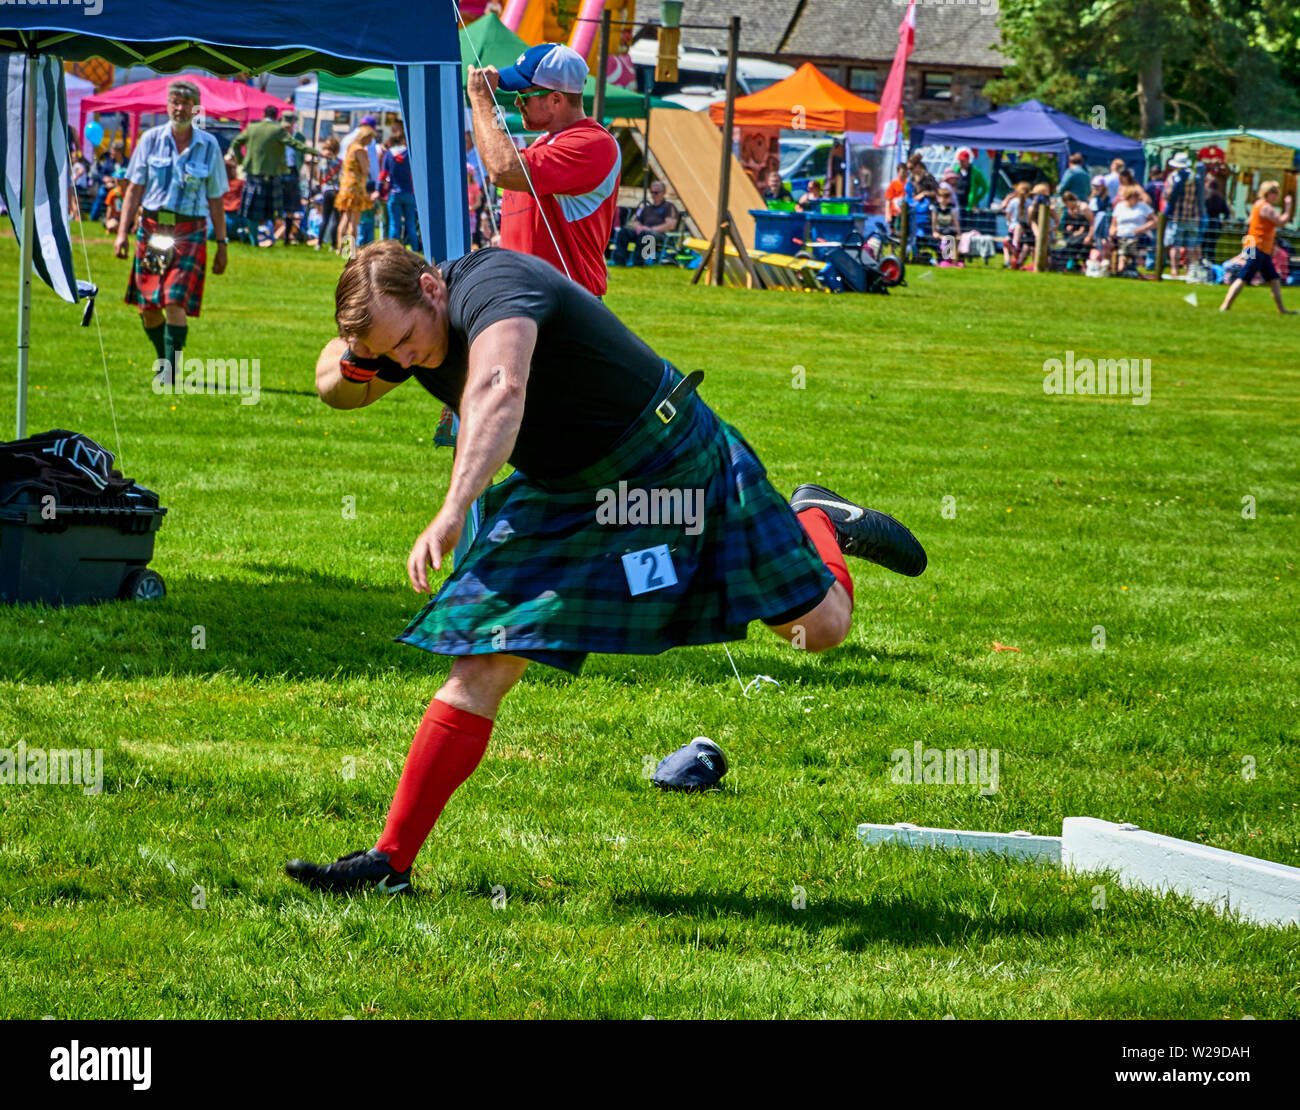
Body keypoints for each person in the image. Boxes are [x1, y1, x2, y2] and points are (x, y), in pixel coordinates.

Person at [286, 241, 928, 893]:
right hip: (566, 491)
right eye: (387, 353)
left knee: (820, 627)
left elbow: (499, 389)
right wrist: (358, 361)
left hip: (667, 462)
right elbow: (334, 389)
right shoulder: (403, 335)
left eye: (404, 342)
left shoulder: (495, 287)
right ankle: (390, 863)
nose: (404, 360)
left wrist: (455, 507)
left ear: (430, 288)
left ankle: (814, 519)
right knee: (482, 657)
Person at [467, 43, 621, 298]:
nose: (516, 102)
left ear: (556, 99)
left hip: (564, 307)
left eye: (523, 95)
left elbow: (503, 170)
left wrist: (482, 102)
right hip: (529, 301)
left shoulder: (594, 144)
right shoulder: (545, 142)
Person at [115, 79, 229, 384]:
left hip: (190, 230)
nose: (178, 108)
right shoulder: (150, 140)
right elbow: (134, 190)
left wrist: (222, 243)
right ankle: (164, 359)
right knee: (148, 307)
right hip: (152, 228)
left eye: (184, 103)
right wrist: (122, 233)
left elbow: (216, 198)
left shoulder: (209, 146)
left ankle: (171, 372)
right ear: (168, 106)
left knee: (174, 299)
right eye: (173, 102)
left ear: (195, 108)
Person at [230, 105, 318, 247]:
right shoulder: (277, 130)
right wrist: (314, 151)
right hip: (271, 176)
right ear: (276, 116)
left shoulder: (252, 127)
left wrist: (241, 160)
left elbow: (236, 142)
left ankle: (254, 240)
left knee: (251, 211)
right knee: (271, 211)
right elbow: (295, 144)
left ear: (263, 114)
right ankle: (267, 238)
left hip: (253, 175)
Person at [1219, 182, 1295, 314]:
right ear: (1269, 194)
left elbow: (1250, 221)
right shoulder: (1266, 208)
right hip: (1258, 247)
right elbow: (1281, 221)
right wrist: (1288, 207)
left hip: (1259, 246)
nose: (1278, 196)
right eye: (1276, 193)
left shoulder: (1257, 205)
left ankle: (1281, 309)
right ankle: (1225, 306)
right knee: (1243, 277)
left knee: (1274, 279)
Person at [334, 121, 377, 258]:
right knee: (354, 221)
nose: (371, 142)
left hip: (346, 185)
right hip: (356, 187)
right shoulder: (360, 150)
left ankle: (340, 248)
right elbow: (365, 170)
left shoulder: (350, 147)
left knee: (345, 218)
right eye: (370, 138)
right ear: (366, 137)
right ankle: (350, 250)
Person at [612, 181, 678, 267]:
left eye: (656, 192)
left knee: (645, 234)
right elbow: (636, 222)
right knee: (623, 231)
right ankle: (619, 262)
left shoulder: (669, 206)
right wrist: (639, 227)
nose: (653, 195)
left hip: (660, 235)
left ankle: (639, 263)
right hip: (643, 231)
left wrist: (651, 229)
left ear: (663, 192)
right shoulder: (647, 208)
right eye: (652, 192)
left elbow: (670, 225)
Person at [1162, 151, 1201, 277]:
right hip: (1192, 215)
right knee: (1190, 245)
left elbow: (1167, 195)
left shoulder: (1173, 177)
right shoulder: (1194, 177)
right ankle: (1189, 271)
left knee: (1175, 245)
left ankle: (1174, 270)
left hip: (1176, 216)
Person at [276, 110, 311, 245]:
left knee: (291, 207)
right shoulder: (278, 136)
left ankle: (286, 239)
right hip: (279, 171)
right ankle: (274, 234)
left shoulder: (300, 138)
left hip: (292, 172)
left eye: (289, 126)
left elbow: (301, 156)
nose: (287, 129)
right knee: (277, 206)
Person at [382, 132, 421, 250]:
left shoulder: (389, 154)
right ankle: (415, 249)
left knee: (395, 224)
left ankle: (392, 250)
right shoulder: (410, 154)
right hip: (409, 193)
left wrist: (379, 190)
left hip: (394, 193)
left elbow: (383, 173)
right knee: (411, 225)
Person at [1109, 183, 1156, 276]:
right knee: (1123, 242)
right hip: (1120, 236)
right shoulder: (1119, 206)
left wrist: (1143, 228)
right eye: (1133, 196)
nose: (1136, 198)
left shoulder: (1143, 206)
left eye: (1137, 196)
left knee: (1129, 243)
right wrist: (1112, 231)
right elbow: (1113, 224)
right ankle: (1134, 262)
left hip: (1140, 236)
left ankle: (1122, 265)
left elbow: (1155, 221)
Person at [315, 135, 342, 253]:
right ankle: (333, 244)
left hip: (326, 191)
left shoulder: (322, 161)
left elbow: (319, 178)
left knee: (325, 218)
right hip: (337, 191)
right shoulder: (339, 162)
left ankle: (319, 243)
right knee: (336, 219)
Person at [89, 139, 126, 221]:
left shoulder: (126, 162)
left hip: (122, 188)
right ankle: (93, 217)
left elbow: (127, 176)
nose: (111, 152)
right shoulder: (109, 161)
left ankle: (118, 218)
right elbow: (102, 174)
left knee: (120, 196)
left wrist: (114, 182)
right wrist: (106, 180)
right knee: (101, 194)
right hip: (107, 186)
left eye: (113, 150)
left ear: (119, 152)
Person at [1201, 176, 1231, 262]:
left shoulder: (1206, 195)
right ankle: (1211, 265)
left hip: (1206, 222)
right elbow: (1227, 214)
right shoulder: (1220, 197)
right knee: (1212, 247)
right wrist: (1222, 223)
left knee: (1203, 246)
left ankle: (1202, 264)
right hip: (1216, 223)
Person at [1059, 191, 1091, 269]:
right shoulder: (1069, 211)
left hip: (1086, 234)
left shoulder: (1083, 208)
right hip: (1076, 235)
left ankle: (1072, 264)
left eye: (1066, 203)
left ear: (1070, 201)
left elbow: (1091, 224)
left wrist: (1089, 237)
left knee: (1073, 242)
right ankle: (1071, 265)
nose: (1066, 206)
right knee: (1069, 242)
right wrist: (1070, 227)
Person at [951, 148, 986, 213]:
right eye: (959, 160)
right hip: (957, 204)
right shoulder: (956, 170)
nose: (960, 163)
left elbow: (985, 187)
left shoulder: (976, 172)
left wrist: (976, 199)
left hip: (969, 206)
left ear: (968, 160)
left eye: (963, 161)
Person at [102, 167, 126, 235]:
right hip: (117, 218)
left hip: (129, 218)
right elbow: (109, 209)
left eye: (118, 179)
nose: (115, 181)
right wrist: (107, 222)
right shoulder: (112, 193)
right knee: (111, 225)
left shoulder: (130, 193)